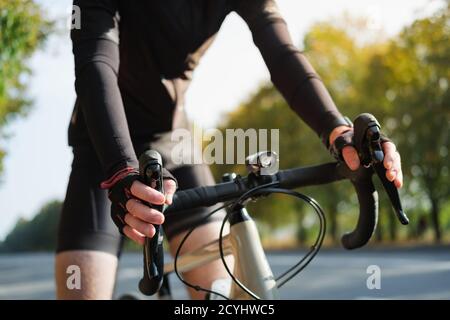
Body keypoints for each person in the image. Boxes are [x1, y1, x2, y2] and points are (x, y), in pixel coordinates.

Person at [55, 0, 403, 300]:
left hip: (172, 140)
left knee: (220, 289)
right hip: (102, 152)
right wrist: (120, 170)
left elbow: (281, 51)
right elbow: (95, 63)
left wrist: (338, 132)